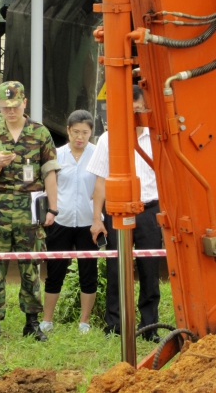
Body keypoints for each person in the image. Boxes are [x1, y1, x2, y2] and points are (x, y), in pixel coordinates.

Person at [0, 81, 60, 341]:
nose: (10, 111)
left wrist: (52, 209)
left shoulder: (40, 132)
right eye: (4, 107)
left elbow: (50, 173)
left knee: (30, 266)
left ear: (24, 103)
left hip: (30, 207)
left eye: (14, 106)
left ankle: (32, 323)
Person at [87, 85, 162, 342]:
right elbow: (100, 182)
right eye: (130, 111)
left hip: (150, 211)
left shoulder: (156, 137)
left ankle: (149, 326)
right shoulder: (108, 138)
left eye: (139, 110)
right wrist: (97, 219)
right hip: (117, 212)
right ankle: (115, 325)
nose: (135, 115)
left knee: (150, 271)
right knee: (116, 270)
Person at [40, 110, 98, 335]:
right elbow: (48, 186)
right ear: (68, 131)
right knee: (55, 270)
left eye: (85, 132)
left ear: (91, 133)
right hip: (61, 220)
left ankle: (84, 322)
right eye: (76, 132)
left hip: (89, 221)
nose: (80, 137)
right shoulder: (57, 155)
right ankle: (47, 320)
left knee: (88, 271)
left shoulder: (97, 155)